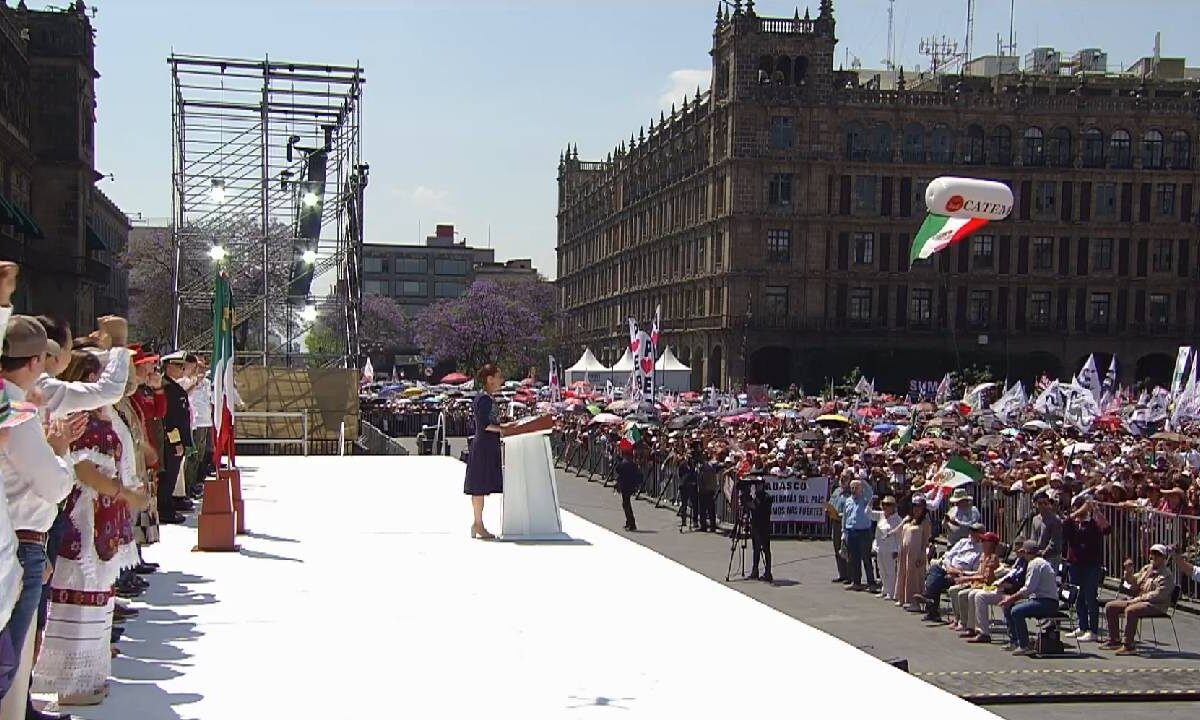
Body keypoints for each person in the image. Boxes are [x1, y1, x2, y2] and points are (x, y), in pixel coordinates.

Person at [463, 364, 511, 540]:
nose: (501, 380)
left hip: (486, 446)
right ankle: (478, 523)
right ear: (489, 379)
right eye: (498, 376)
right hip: (483, 446)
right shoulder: (484, 399)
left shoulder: (487, 398)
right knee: (479, 487)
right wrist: (503, 428)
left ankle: (478, 523)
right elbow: (485, 425)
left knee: (480, 487)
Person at [1101, 544, 1176, 655]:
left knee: (1131, 610)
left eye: (1157, 554)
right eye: (1152, 553)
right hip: (1137, 600)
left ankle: (1129, 645)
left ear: (1164, 558)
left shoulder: (1166, 575)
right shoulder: (1146, 569)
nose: (1153, 556)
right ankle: (1114, 640)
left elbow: (1159, 595)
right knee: (1110, 606)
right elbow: (1134, 582)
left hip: (1155, 605)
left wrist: (1139, 599)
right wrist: (1128, 572)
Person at [1063, 494, 1111, 642]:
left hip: (1092, 564)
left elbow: (1107, 528)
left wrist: (1095, 510)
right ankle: (1082, 626)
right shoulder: (1072, 522)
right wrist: (1079, 511)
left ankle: (1093, 630)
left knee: (1090, 596)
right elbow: (1064, 524)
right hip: (1075, 563)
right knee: (1078, 596)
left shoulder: (1093, 523)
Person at [999, 540, 1061, 655]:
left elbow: (1028, 588)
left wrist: (1011, 598)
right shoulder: (1038, 562)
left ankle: (1024, 645)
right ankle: (1015, 641)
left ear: (1027, 552)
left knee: (1016, 611)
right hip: (1039, 599)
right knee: (1009, 607)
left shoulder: (1035, 564)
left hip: (1047, 602)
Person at [917, 523, 984, 622]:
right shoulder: (963, 542)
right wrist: (949, 567)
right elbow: (948, 556)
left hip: (961, 576)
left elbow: (976, 572)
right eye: (971, 530)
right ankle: (930, 602)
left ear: (981, 534)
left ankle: (929, 601)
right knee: (935, 569)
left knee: (937, 578)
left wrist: (959, 572)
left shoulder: (981, 550)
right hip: (948, 568)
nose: (971, 533)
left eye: (975, 531)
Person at [966, 541, 1030, 644]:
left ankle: (984, 633)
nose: (1016, 552)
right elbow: (1010, 575)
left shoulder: (1028, 564)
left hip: (1013, 593)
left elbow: (1021, 583)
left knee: (980, 596)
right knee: (974, 594)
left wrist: (1006, 585)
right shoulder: (1018, 561)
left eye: (1019, 550)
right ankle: (975, 629)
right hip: (1004, 589)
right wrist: (1000, 582)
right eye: (1015, 550)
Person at [157, 352, 192, 524]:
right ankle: (165, 509)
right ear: (169, 366)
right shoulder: (168, 388)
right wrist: (176, 441)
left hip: (175, 441)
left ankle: (167, 506)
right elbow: (168, 419)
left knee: (172, 475)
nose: (182, 370)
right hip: (170, 442)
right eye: (180, 366)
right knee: (168, 477)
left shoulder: (173, 387)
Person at [947, 531, 1001, 632]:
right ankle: (958, 619)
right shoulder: (983, 556)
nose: (982, 543)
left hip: (986, 586)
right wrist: (964, 575)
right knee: (953, 590)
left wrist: (967, 579)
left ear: (991, 544)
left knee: (964, 594)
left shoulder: (992, 558)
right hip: (976, 583)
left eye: (984, 541)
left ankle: (967, 624)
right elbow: (978, 573)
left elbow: (985, 578)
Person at [895, 495, 932, 610]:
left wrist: (922, 555)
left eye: (919, 507)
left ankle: (914, 602)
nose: (917, 509)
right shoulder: (908, 519)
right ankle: (903, 598)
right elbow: (898, 530)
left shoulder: (925, 522)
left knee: (914, 576)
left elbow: (926, 540)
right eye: (915, 506)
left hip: (916, 552)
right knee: (903, 573)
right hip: (905, 550)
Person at [841, 479, 877, 592]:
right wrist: (844, 532)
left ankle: (871, 583)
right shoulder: (848, 501)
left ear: (861, 489)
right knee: (854, 558)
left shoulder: (865, 499)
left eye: (856, 488)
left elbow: (870, 492)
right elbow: (845, 517)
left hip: (864, 531)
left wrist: (861, 480)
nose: (853, 490)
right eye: (852, 488)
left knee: (866, 558)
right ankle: (856, 582)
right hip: (851, 531)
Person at [870, 496, 904, 600]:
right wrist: (870, 502)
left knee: (890, 571)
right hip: (880, 547)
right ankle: (884, 589)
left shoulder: (898, 520)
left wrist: (897, 550)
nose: (885, 507)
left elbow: (900, 537)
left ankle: (891, 591)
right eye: (884, 504)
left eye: (888, 505)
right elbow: (868, 513)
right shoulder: (881, 515)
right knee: (881, 570)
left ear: (893, 507)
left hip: (891, 549)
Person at [826, 473, 852, 584]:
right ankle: (842, 574)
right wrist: (828, 510)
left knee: (846, 549)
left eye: (845, 477)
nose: (842, 479)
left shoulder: (851, 493)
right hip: (835, 522)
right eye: (841, 477)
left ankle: (849, 575)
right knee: (837, 549)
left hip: (846, 523)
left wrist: (843, 514)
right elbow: (831, 502)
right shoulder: (836, 490)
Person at [1030, 490, 1064, 564]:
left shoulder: (1055, 519)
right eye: (1040, 503)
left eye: (1045, 503)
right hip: (1038, 556)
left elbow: (1055, 541)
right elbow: (1033, 538)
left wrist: (1044, 552)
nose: (1043, 506)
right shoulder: (1035, 519)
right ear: (1036, 504)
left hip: (1052, 557)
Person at [749, 482, 773, 583]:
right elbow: (752, 508)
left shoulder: (767, 497)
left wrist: (752, 502)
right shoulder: (755, 497)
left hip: (764, 526)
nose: (758, 487)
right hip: (755, 525)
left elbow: (758, 508)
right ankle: (755, 570)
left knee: (766, 549)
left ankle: (768, 572)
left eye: (760, 485)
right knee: (756, 549)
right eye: (757, 485)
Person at [614, 446, 642, 531]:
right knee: (626, 504)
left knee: (626, 505)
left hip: (625, 486)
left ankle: (631, 523)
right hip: (630, 486)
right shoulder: (632, 464)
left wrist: (619, 461)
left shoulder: (625, 463)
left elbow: (618, 470)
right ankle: (629, 522)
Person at [696, 452, 720, 532]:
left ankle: (712, 526)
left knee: (710, 508)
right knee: (702, 509)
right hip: (702, 489)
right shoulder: (700, 466)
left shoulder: (710, 465)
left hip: (709, 489)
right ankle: (703, 526)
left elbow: (717, 464)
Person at [676, 451, 698, 530]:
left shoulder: (693, 465)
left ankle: (695, 521)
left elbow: (695, 475)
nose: (689, 458)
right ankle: (683, 520)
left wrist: (694, 482)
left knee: (694, 504)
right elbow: (680, 475)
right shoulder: (682, 464)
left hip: (691, 487)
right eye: (688, 456)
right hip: (684, 486)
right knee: (684, 504)